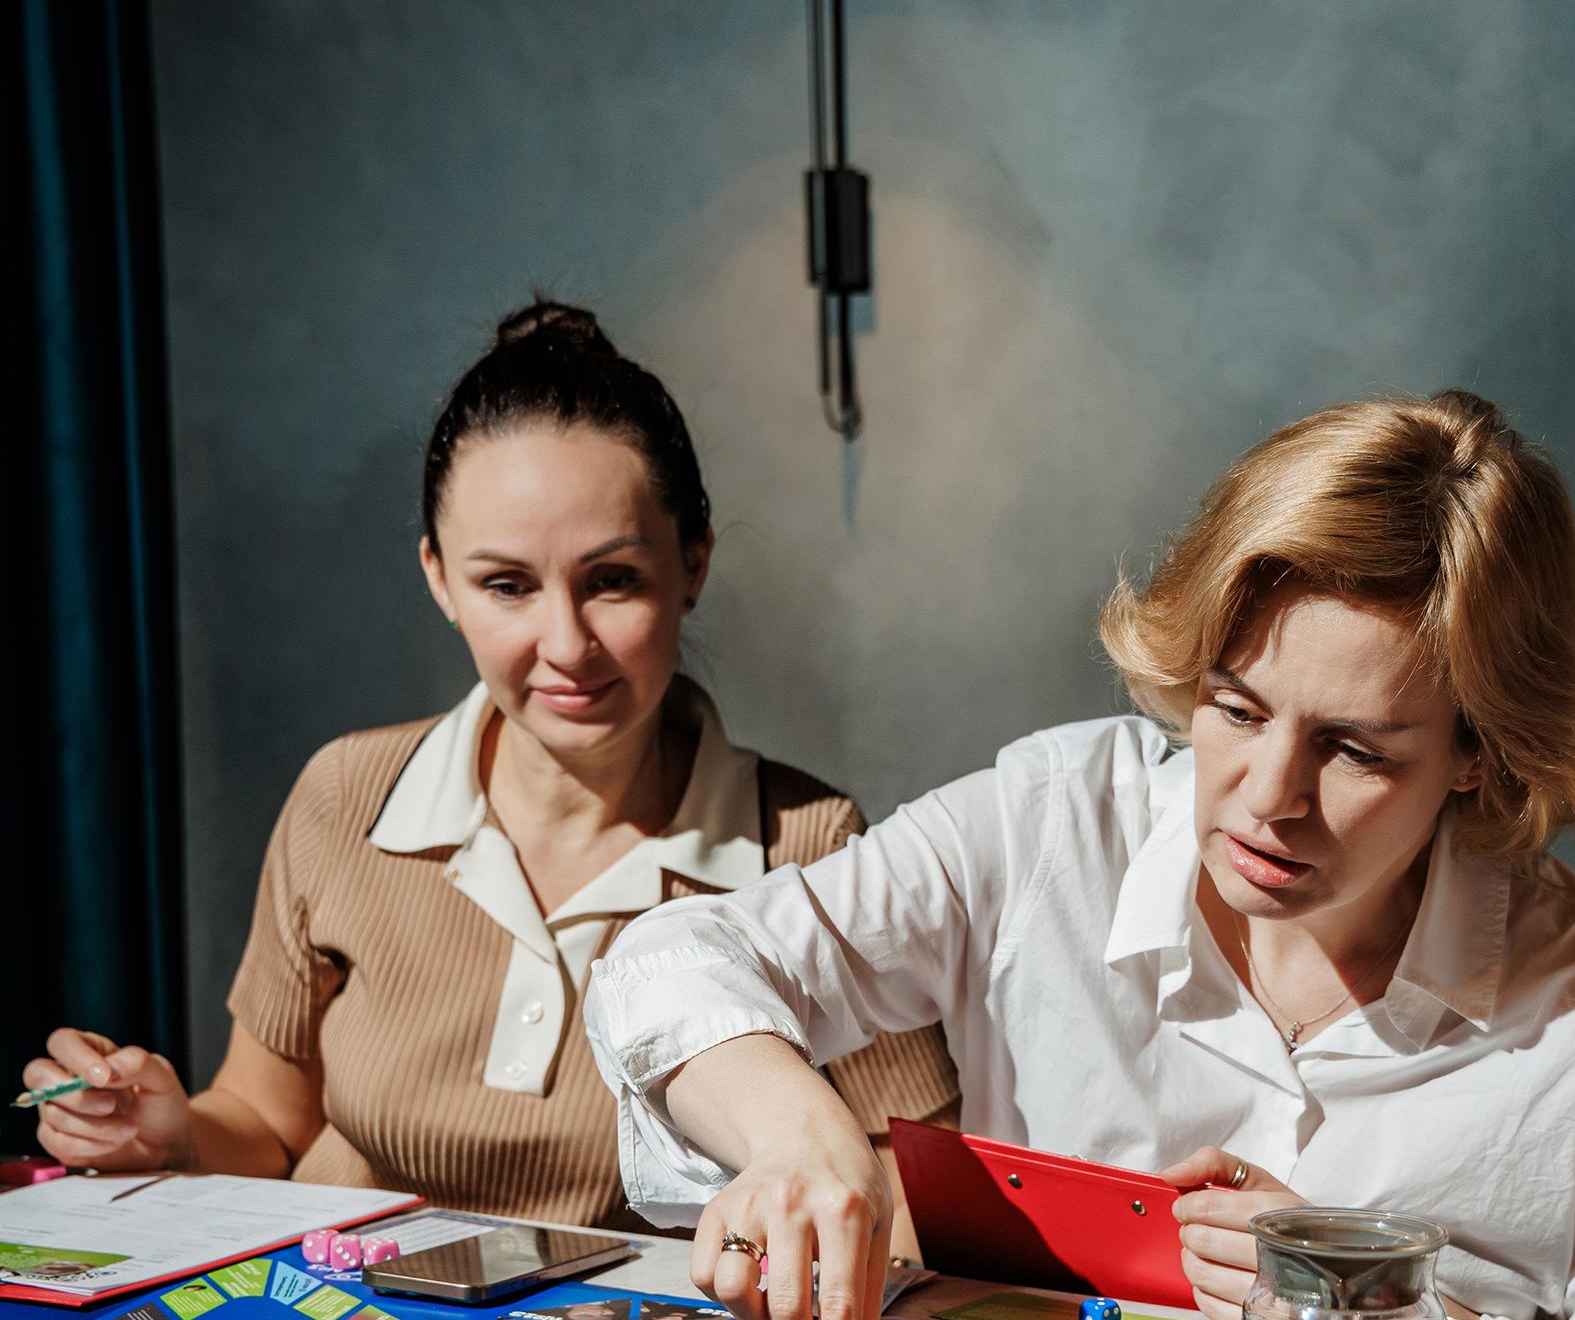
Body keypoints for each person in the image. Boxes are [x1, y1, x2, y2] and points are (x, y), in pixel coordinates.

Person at [585, 390, 1575, 1320]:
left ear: (1476, 751)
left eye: (1355, 750)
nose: (1268, 797)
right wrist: (800, 1136)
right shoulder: (1053, 824)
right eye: (1236, 708)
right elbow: (669, 961)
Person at [22, 304, 956, 1226]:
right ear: (439, 578)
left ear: (693, 564)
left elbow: (907, 1191)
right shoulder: (344, 797)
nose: (566, 645)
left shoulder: (808, 845)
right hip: (331, 1311)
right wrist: (168, 1133)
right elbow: (265, 1120)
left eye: (612, 580)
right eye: (506, 585)